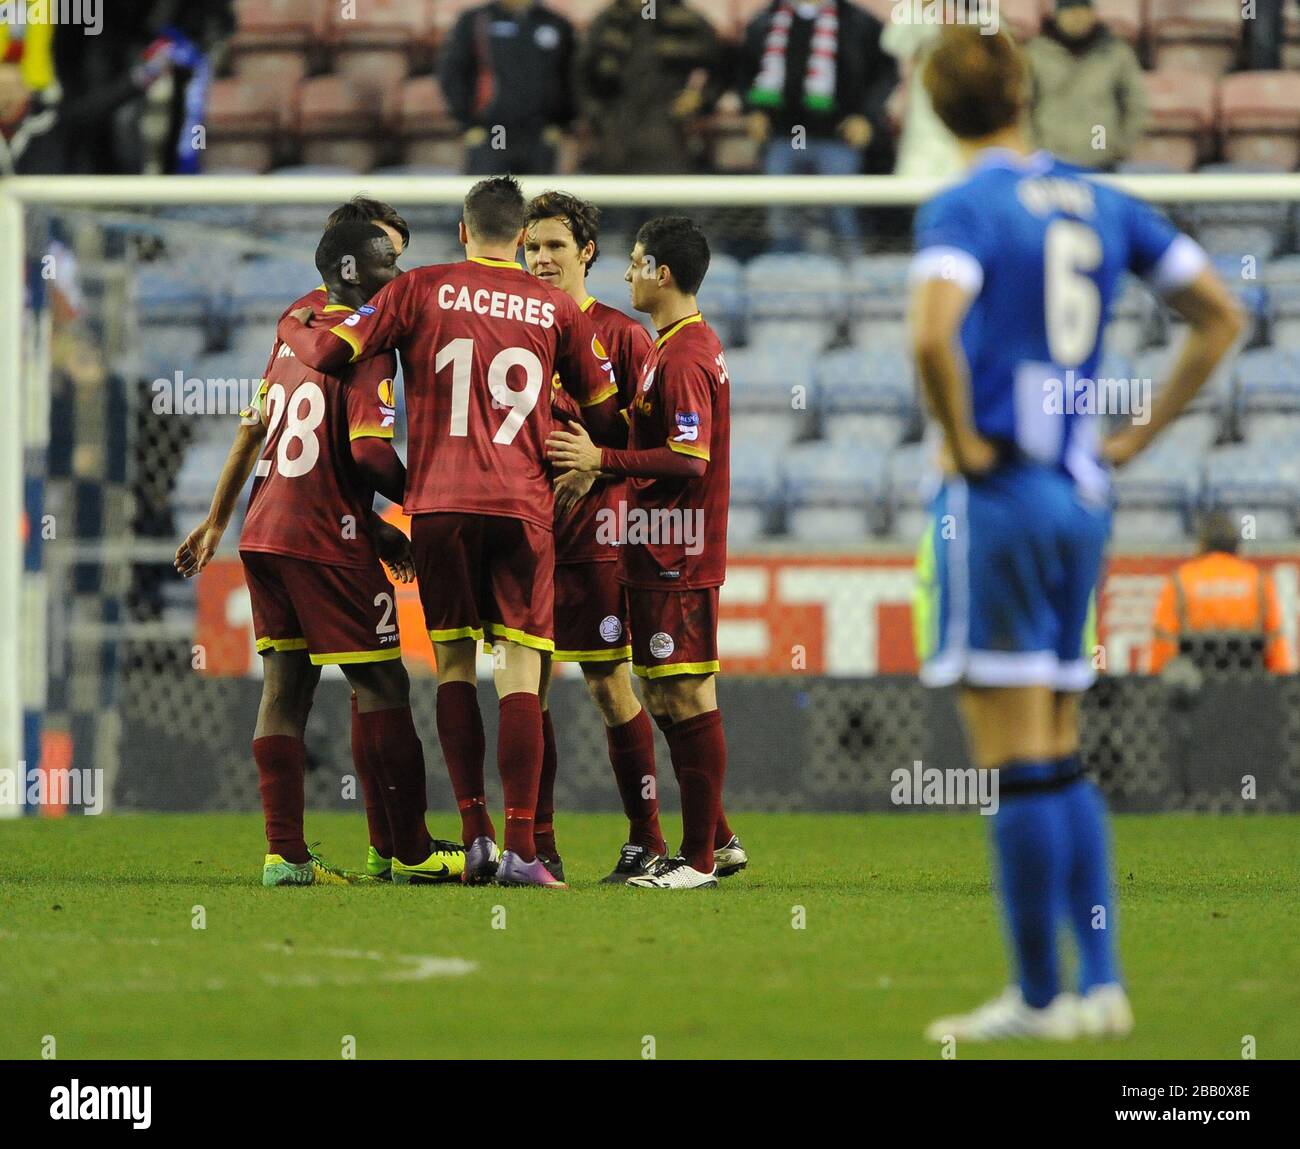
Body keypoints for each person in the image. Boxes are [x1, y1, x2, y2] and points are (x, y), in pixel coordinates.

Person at [909, 27, 1243, 1039]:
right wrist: (1136, 438)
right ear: (1025, 94)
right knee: (1057, 745)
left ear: (934, 107)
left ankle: (1037, 995)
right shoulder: (1102, 199)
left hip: (1001, 494)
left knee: (1011, 753)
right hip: (1080, 494)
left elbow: (931, 332)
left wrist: (963, 442)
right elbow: (1218, 314)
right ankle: (1098, 983)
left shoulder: (963, 204)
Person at [275, 176, 624, 889]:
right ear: (522, 238)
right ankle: (526, 850)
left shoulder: (420, 288)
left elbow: (328, 355)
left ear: (463, 232)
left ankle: (475, 835)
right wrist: (579, 451)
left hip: (437, 508)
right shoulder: (557, 306)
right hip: (523, 507)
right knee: (522, 669)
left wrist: (290, 324)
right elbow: (610, 417)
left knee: (455, 664)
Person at [177, 222, 467, 886]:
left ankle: (286, 856)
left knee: (286, 688)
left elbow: (256, 430)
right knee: (384, 683)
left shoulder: (292, 335)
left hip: (266, 530)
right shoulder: (369, 346)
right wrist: (429, 495)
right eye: (388, 260)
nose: (398, 271)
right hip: (322, 537)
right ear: (351, 268)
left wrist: (219, 522)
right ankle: (413, 851)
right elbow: (367, 451)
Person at [547, 216, 744, 890]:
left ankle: (698, 860)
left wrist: (602, 458)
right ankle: (712, 843)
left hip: (676, 549)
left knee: (684, 691)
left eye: (634, 262)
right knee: (663, 694)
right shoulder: (672, 345)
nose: (627, 273)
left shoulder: (686, 354)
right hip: (655, 545)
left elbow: (689, 457)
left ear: (661, 273)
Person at [740, 0, 897, 248]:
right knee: (781, 218)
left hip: (837, 138)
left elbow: (885, 72)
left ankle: (851, 278)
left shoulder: (858, 21)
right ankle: (785, 278)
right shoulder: (765, 20)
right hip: (782, 137)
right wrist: (752, 110)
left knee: (843, 216)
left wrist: (866, 116)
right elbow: (742, 68)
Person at [578, 0, 725, 174]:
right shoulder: (608, 21)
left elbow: (717, 71)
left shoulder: (688, 21)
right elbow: (582, 76)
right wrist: (600, 117)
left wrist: (699, 100)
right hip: (615, 138)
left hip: (673, 138)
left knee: (668, 195)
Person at [438, 0, 576, 175]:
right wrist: (468, 124)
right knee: (493, 193)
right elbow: (453, 73)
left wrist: (562, 123)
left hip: (539, 132)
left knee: (538, 198)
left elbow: (571, 76)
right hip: (495, 130)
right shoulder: (476, 20)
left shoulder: (556, 23)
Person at [1150, 511, 1294, 675]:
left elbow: (1163, 642)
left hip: (1194, 689)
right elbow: (1275, 642)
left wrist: (1158, 685)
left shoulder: (1179, 581)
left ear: (1201, 544)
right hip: (1250, 687)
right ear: (1237, 546)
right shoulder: (1259, 581)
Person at [1026, 0, 1148, 172]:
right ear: (1057, 15)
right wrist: (1034, 147)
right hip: (1049, 163)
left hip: (1102, 163)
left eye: (1082, 10)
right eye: (1070, 10)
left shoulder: (1116, 54)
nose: (1077, 16)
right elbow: (1022, 105)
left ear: (1093, 14)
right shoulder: (1035, 54)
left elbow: (1136, 105)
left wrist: (1117, 147)